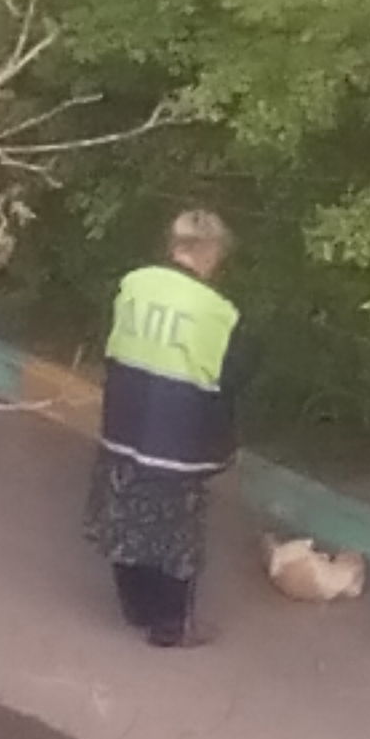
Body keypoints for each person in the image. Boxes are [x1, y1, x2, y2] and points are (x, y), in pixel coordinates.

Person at [85, 209, 246, 648]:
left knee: (126, 511)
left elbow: (112, 344)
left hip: (125, 418)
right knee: (177, 529)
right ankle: (172, 624)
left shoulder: (134, 284)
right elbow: (225, 382)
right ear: (210, 252)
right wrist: (223, 446)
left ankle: (135, 608)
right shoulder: (218, 311)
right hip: (180, 432)